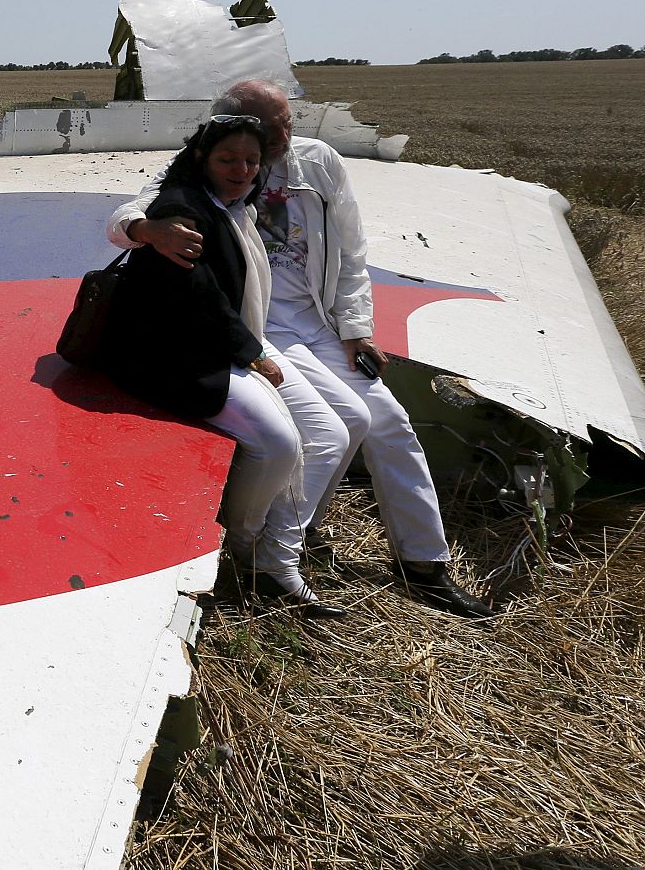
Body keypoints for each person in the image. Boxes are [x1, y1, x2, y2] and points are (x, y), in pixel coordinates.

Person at [108, 79, 492, 618]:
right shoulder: (217, 160)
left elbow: (353, 247)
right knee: (339, 425)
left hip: (318, 320)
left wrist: (356, 327)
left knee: (388, 422)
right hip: (261, 323)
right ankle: (274, 552)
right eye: (273, 127)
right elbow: (133, 211)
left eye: (290, 122)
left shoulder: (320, 162)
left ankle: (422, 563)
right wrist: (147, 229)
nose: (285, 135)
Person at [99, 114, 347, 618]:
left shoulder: (235, 205)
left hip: (221, 344)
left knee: (332, 433)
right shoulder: (181, 210)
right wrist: (252, 353)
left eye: (251, 161)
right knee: (278, 443)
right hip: (174, 357)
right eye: (227, 159)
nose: (241, 169)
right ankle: (244, 545)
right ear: (200, 159)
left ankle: (279, 546)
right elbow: (201, 297)